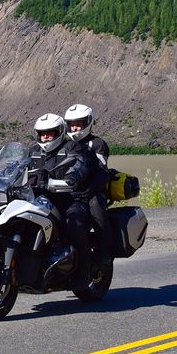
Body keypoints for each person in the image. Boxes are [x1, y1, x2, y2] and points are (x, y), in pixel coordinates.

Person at [27, 113, 95, 290]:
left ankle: (83, 272)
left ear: (59, 131)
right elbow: (18, 167)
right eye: (42, 133)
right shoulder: (33, 151)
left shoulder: (72, 147)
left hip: (68, 199)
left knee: (73, 223)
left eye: (50, 133)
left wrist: (72, 178)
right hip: (38, 200)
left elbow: (80, 163)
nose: (45, 137)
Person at [64, 103, 113, 264]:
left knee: (97, 210)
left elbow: (102, 171)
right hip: (68, 189)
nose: (75, 127)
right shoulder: (65, 145)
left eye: (79, 123)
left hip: (92, 190)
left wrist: (89, 190)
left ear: (88, 123)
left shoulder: (97, 144)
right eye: (72, 123)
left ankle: (104, 251)